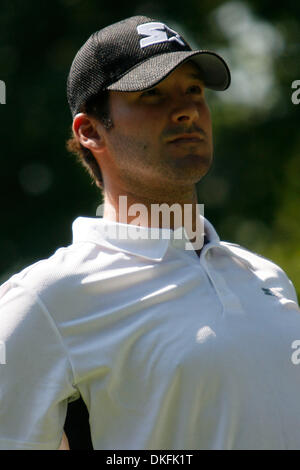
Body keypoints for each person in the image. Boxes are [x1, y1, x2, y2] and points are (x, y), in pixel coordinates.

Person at [0, 15, 300, 451]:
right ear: (90, 132)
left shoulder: (264, 275)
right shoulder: (45, 298)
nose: (186, 109)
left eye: (194, 90)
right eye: (152, 94)